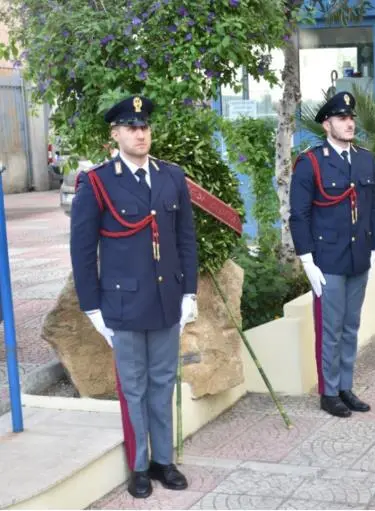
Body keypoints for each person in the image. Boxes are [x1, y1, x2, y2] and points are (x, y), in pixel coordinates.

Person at [70, 96, 198, 498]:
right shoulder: (97, 182)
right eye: (131, 128)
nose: (140, 134)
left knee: (162, 382)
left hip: (166, 300)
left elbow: (185, 239)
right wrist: (92, 307)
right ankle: (138, 466)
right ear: (116, 134)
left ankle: (163, 460)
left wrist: (189, 292)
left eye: (144, 127)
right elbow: (82, 248)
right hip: (122, 304)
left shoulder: (171, 177)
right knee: (134, 386)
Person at [289, 91, 375, 418]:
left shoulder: (365, 159)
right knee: (330, 327)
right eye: (342, 118)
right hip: (327, 259)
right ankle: (328, 392)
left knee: (351, 325)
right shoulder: (310, 162)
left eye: (351, 118)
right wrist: (307, 259)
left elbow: (373, 207)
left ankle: (345, 386)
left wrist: (373, 246)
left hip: (358, 256)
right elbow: (298, 215)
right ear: (327, 124)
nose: (350, 122)